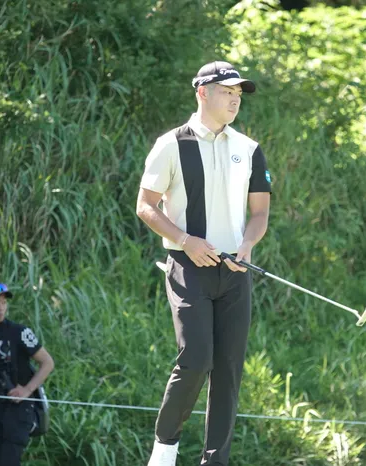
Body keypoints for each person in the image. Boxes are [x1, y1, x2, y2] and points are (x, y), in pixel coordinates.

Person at [136, 61, 272, 466]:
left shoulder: (249, 149)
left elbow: (260, 213)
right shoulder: (171, 144)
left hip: (234, 272)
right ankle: (164, 450)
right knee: (195, 360)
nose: (235, 100)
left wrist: (247, 245)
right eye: (227, 92)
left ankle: (216, 461)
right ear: (202, 92)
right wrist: (185, 240)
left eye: (238, 94)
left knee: (228, 371)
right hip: (187, 266)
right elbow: (146, 205)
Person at [0, 282, 55, 466]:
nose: (1, 308)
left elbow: (47, 362)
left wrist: (27, 390)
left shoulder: (19, 332)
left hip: (19, 407)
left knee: (9, 460)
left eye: (3, 303)